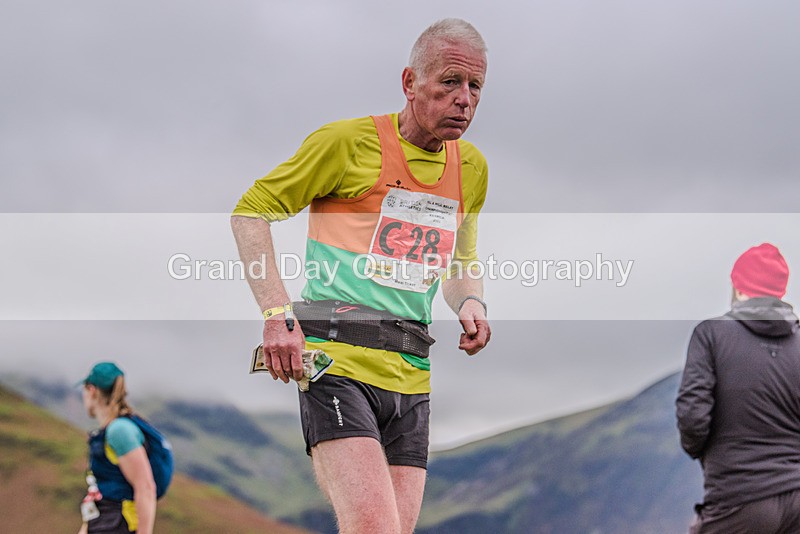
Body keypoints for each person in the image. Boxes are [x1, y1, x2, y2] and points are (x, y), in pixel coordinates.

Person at [231, 18, 491, 534]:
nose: (465, 99)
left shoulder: (473, 168)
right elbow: (250, 210)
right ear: (410, 83)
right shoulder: (347, 143)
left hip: (413, 370)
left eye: (476, 86)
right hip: (337, 359)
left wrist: (470, 304)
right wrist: (276, 314)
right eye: (450, 82)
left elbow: (459, 262)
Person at [676, 243, 800, 533]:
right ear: (780, 291)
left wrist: (707, 453)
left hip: (737, 497)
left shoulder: (710, 336)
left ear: (739, 287)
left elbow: (692, 418)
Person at [78, 362, 156, 534]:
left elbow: (145, 488)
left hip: (119, 526)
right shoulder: (108, 431)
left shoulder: (119, 431)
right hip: (105, 523)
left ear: (92, 390)